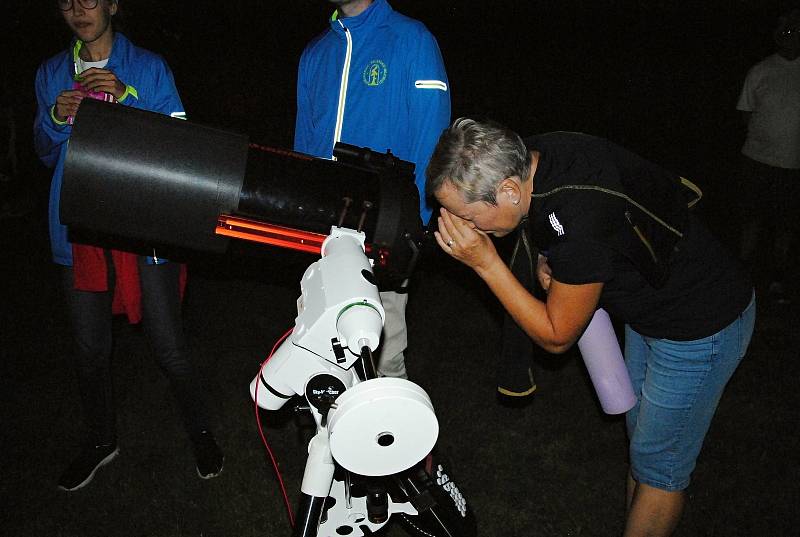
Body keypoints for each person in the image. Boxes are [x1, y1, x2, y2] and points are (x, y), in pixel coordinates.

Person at [426, 118, 755, 536]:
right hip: (650, 312)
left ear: (508, 190)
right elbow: (579, 227)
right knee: (642, 449)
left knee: (659, 468)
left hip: (700, 326)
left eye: (466, 216)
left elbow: (556, 335)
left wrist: (485, 263)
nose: (464, 228)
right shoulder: (534, 156)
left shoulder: (579, 217)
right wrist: (554, 258)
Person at [34, 0, 222, 491]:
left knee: (168, 344)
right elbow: (43, 149)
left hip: (143, 225)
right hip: (79, 227)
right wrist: (55, 114)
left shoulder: (148, 67)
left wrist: (128, 96)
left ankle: (200, 431)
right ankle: (101, 440)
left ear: (114, 4)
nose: (79, 9)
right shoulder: (52, 72)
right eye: (68, 0)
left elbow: (180, 137)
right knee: (89, 348)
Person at [294, 0, 450, 378]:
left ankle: (394, 435)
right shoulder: (316, 52)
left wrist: (410, 229)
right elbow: (302, 148)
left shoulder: (412, 40)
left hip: (385, 230)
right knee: (321, 357)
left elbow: (433, 143)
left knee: (382, 355)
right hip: (320, 233)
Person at [736, 8, 800, 304]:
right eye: (782, 31)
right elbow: (746, 113)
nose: (787, 36)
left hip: (792, 165)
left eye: (792, 30)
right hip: (756, 160)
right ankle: (741, 273)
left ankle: (778, 276)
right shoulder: (760, 70)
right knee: (752, 218)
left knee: (785, 224)